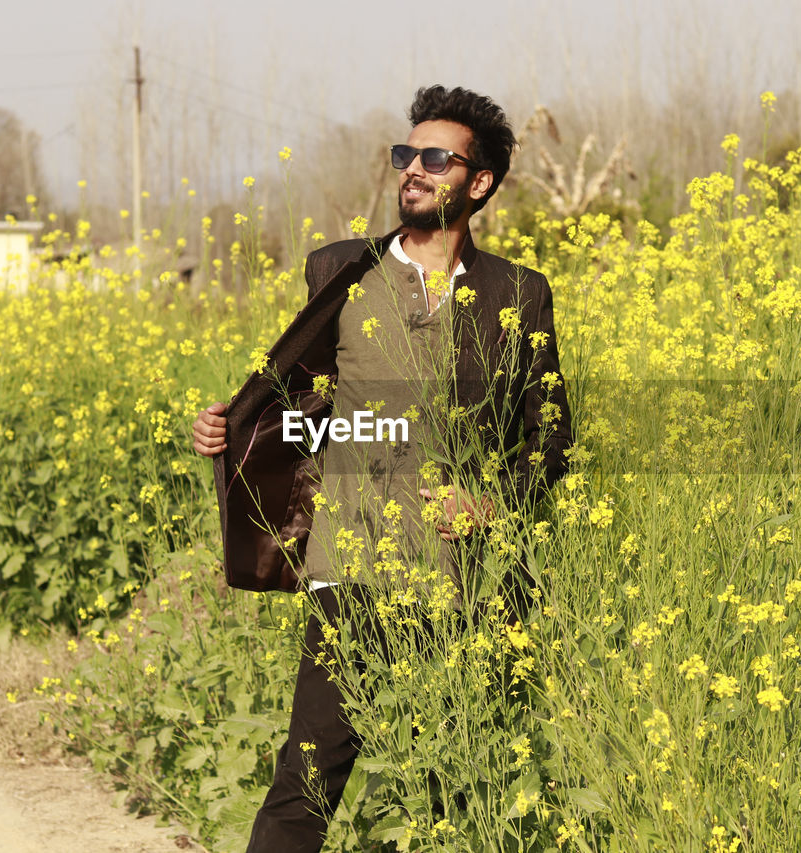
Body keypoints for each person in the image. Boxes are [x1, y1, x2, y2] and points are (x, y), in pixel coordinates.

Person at [192, 84, 572, 852]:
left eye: (437, 158)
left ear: (480, 181)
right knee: (306, 781)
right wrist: (234, 430)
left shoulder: (518, 294)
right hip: (351, 565)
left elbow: (552, 436)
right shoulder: (340, 269)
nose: (414, 170)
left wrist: (493, 505)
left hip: (465, 579)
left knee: (459, 785)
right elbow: (310, 401)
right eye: (407, 154)